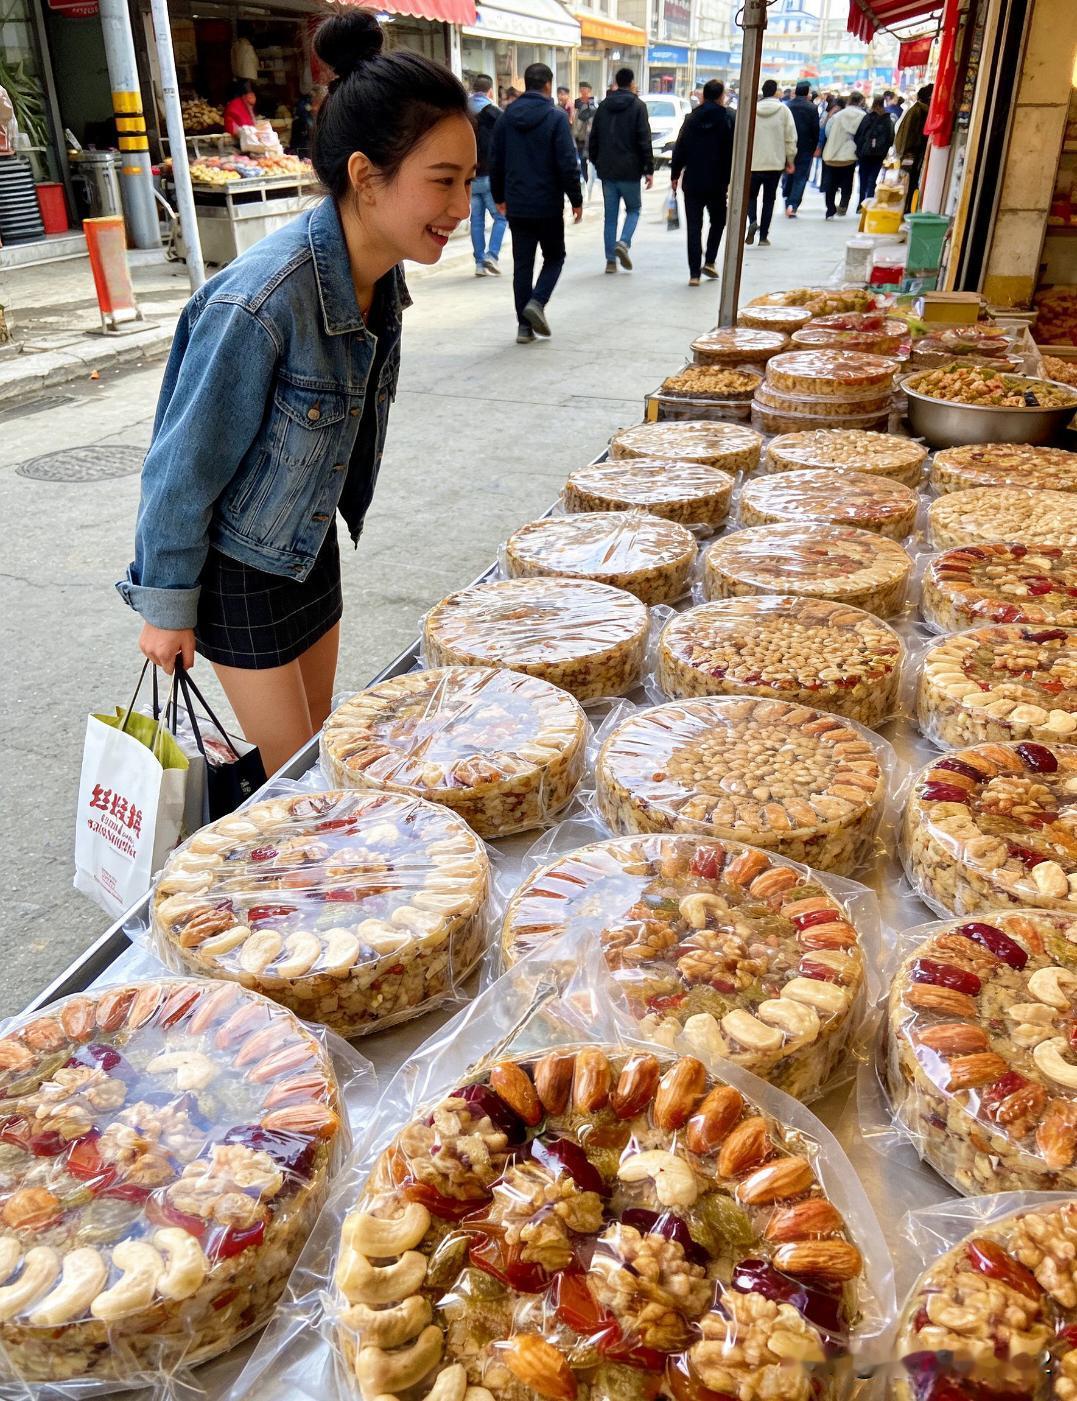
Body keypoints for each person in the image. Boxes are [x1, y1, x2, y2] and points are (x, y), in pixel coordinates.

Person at [118, 11, 474, 775]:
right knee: (300, 782)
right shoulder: (261, 301)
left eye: (468, 180)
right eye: (442, 182)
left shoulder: (378, 277)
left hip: (305, 550)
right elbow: (181, 466)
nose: (462, 207)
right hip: (240, 573)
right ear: (364, 175)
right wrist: (165, 607)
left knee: (322, 749)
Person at [489, 62, 582, 343]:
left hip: (517, 204)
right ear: (548, 85)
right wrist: (575, 199)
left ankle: (524, 328)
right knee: (555, 257)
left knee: (523, 266)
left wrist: (499, 197)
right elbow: (567, 163)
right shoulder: (555, 118)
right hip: (548, 205)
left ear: (526, 84)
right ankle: (537, 302)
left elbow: (496, 160)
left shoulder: (506, 118)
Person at [670, 77, 735, 285]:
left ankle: (694, 275)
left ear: (704, 95)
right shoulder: (728, 118)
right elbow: (734, 150)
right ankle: (710, 260)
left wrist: (675, 174)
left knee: (694, 227)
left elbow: (680, 148)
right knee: (718, 221)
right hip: (718, 182)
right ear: (721, 96)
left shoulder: (691, 119)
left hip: (693, 182)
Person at [588, 67, 653, 274]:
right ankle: (623, 243)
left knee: (610, 217)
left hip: (607, 170)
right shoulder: (638, 106)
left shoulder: (604, 106)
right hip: (630, 170)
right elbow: (644, 139)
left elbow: (594, 138)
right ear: (632, 83)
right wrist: (648, 168)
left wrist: (597, 163)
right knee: (633, 209)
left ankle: (610, 261)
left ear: (615, 83)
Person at [745, 79, 795, 247]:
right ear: (775, 92)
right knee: (769, 199)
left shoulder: (752, 110)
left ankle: (752, 220)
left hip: (753, 163)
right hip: (774, 164)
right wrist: (790, 159)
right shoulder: (784, 111)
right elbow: (790, 138)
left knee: (750, 196)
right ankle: (763, 236)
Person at [468, 74, 506, 276]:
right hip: (490, 175)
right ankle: (492, 255)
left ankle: (479, 263)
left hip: (470, 176)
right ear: (490, 91)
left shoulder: (463, 111)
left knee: (477, 221)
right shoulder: (495, 113)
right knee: (501, 217)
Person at [821, 90, 865, 218]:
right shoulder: (863, 116)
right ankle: (843, 205)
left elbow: (827, 131)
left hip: (832, 153)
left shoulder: (838, 115)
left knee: (831, 183)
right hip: (850, 155)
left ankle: (830, 208)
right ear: (861, 102)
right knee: (847, 181)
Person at [783, 79, 819, 218]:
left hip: (787, 146)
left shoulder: (787, 106)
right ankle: (793, 204)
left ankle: (787, 199)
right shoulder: (812, 108)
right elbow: (815, 130)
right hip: (806, 147)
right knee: (801, 177)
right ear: (807, 93)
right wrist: (815, 146)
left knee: (788, 174)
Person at [895, 83, 933, 212]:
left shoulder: (915, 109)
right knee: (910, 183)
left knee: (909, 183)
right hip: (913, 154)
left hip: (909, 154)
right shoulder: (921, 111)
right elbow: (913, 136)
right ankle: (907, 210)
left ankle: (906, 209)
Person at [854, 95, 894, 208]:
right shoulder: (888, 120)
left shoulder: (867, 117)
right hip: (878, 155)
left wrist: (860, 149)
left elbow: (859, 135)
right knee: (872, 180)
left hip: (865, 154)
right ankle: (869, 204)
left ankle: (860, 203)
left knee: (863, 179)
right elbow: (891, 138)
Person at [572, 82, 597, 188]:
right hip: (581, 138)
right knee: (582, 161)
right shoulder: (577, 103)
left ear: (589, 90)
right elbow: (575, 120)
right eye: (581, 89)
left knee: (592, 161)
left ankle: (591, 182)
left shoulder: (594, 104)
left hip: (592, 137)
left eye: (585, 89)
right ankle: (586, 181)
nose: (583, 91)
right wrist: (574, 134)